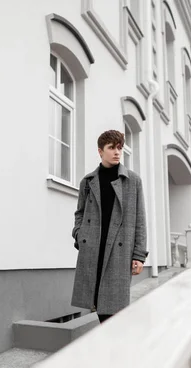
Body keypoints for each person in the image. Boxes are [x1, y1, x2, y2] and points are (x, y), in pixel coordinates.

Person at [71, 130, 148, 323]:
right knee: (98, 303)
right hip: (93, 249)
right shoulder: (88, 182)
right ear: (100, 151)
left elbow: (140, 219)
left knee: (115, 307)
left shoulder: (132, 180)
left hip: (119, 250)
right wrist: (79, 234)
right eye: (111, 148)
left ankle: (116, 348)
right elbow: (79, 212)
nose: (117, 152)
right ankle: (112, 348)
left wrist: (139, 255)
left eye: (119, 148)